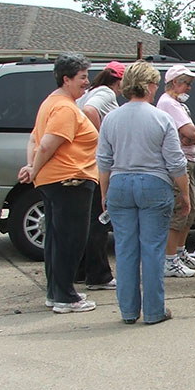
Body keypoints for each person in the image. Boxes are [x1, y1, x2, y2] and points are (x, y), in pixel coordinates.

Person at [97, 60, 190, 324]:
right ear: (150, 86)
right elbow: (175, 162)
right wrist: (184, 194)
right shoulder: (161, 118)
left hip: (120, 183)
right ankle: (153, 311)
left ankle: (127, 311)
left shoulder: (111, 118)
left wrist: (105, 193)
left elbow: (104, 161)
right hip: (154, 184)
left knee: (125, 250)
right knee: (152, 249)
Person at [17, 52, 98, 314]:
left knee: (55, 239)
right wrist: (33, 168)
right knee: (70, 241)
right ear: (66, 79)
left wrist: (33, 167)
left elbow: (34, 140)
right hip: (70, 181)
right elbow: (49, 143)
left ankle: (57, 292)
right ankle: (65, 297)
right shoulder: (64, 108)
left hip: (54, 181)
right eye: (82, 78)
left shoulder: (50, 103)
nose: (87, 82)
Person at [73, 60, 124, 291]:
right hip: (96, 164)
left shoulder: (90, 92)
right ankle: (99, 275)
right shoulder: (104, 94)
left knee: (86, 220)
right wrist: (100, 138)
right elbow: (89, 111)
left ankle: (80, 270)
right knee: (99, 220)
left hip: (84, 163)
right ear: (118, 81)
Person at [156, 64, 195, 278]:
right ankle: (169, 259)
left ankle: (179, 250)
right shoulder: (168, 104)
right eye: (186, 83)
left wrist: (189, 135)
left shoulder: (175, 104)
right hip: (179, 163)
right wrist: (188, 135)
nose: (189, 88)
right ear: (174, 83)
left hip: (188, 160)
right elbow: (190, 132)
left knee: (190, 209)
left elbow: (191, 134)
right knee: (180, 210)